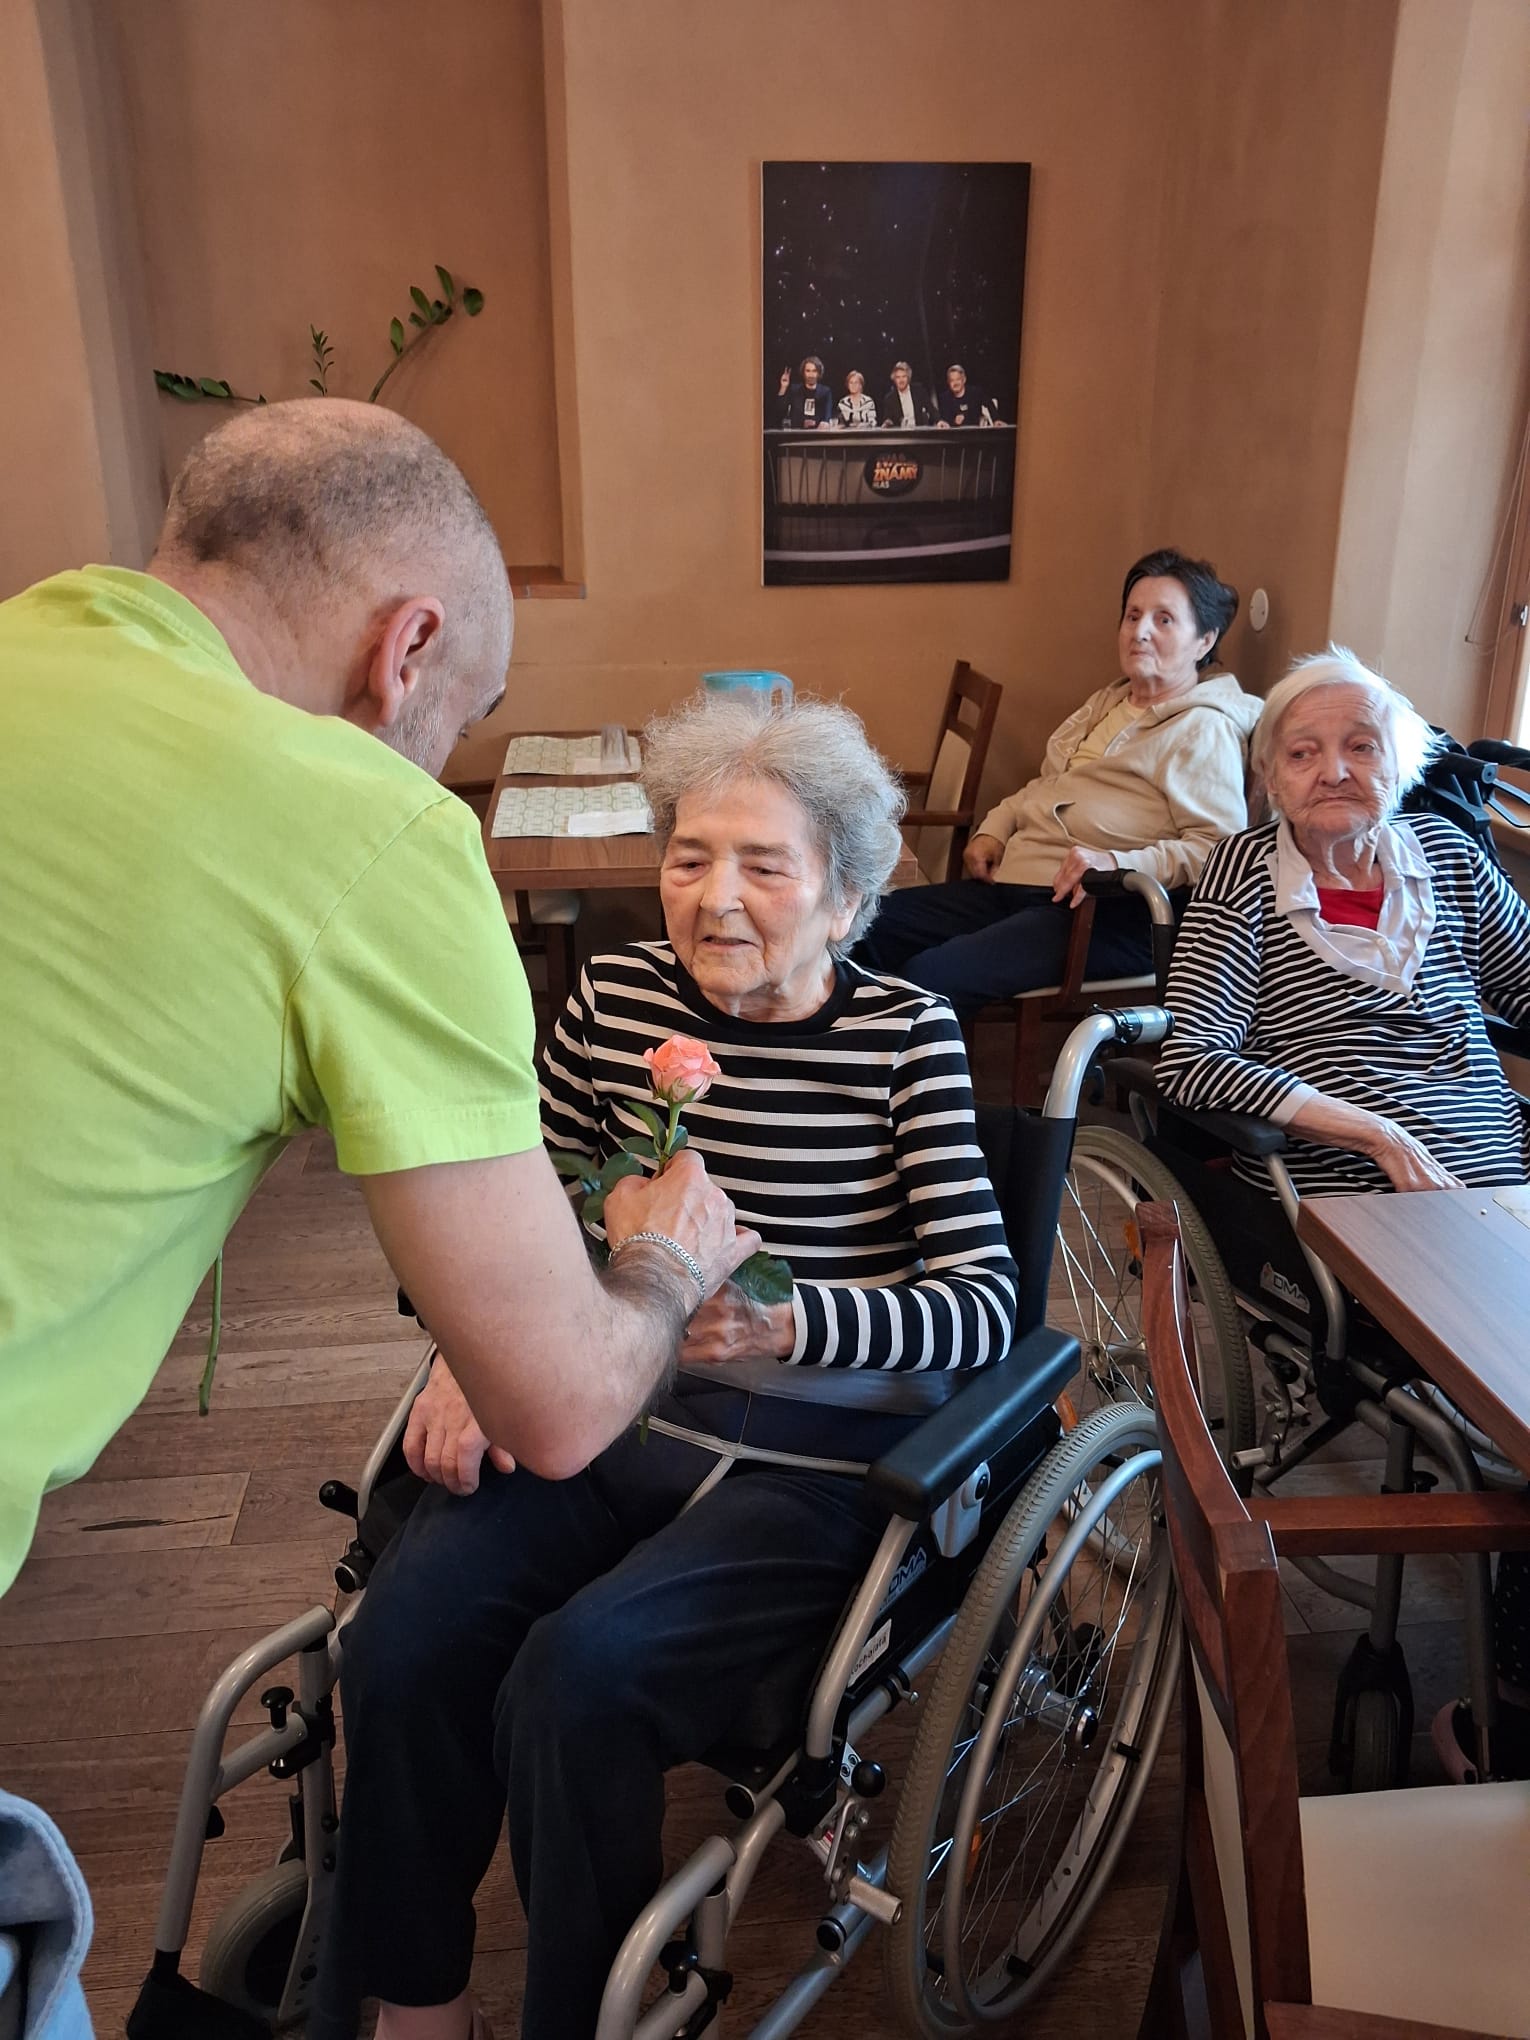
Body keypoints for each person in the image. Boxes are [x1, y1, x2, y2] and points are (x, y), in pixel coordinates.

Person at [0, 402, 747, 2025]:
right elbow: (562, 1404)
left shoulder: (30, 646)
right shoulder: (368, 824)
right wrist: (663, 1262)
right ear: (404, 651)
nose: (443, 761)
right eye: (462, 719)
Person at [314, 693, 1020, 2040]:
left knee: (578, 1678)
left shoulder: (906, 1038)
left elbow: (984, 1308)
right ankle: (416, 2003)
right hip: (613, 1405)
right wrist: (471, 1353)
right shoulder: (613, 996)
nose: (714, 897)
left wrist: (788, 1325)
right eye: (689, 857)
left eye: (764, 866)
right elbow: (513, 1217)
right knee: (401, 1638)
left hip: (808, 1464)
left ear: (847, 900)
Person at [1154, 645, 1530, 1782]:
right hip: (1358, 1204)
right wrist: (1371, 1131)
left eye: (1361, 746)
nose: (1333, 771)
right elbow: (1192, 1061)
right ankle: (1509, 1713)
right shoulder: (1243, 875)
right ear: (1270, 776)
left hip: (1500, 1190)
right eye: (1304, 752)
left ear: (1399, 763)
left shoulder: (1448, 858)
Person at [857, 548, 1256, 1014]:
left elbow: (1221, 851)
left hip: (1102, 913)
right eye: (1132, 616)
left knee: (929, 978)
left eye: (1164, 620)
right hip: (1019, 884)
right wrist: (995, 826)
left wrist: (1117, 861)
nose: (1140, 631)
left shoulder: (1204, 729)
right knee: (860, 926)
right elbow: (1049, 786)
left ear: (1204, 640)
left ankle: (911, 1060)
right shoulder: (1109, 704)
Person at [777, 356, 833, 429]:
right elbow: (780, 411)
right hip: (797, 432)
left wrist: (825, 422)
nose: (811, 375)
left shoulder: (825, 392)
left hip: (818, 432)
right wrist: (783, 387)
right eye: (808, 371)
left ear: (819, 373)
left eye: (814, 371)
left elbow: (827, 415)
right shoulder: (795, 390)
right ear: (803, 372)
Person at [879, 359, 938, 427]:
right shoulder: (889, 398)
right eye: (898, 377)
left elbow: (931, 409)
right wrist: (887, 423)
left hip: (919, 430)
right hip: (900, 432)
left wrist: (939, 421)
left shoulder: (919, 391)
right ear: (894, 379)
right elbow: (887, 418)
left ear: (908, 377)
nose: (901, 380)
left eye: (904, 376)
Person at [936, 362, 995, 428]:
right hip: (954, 432)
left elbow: (990, 403)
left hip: (976, 430)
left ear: (964, 380)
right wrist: (954, 421)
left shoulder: (975, 393)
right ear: (948, 382)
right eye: (952, 380)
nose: (955, 383)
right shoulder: (944, 398)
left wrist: (996, 420)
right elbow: (944, 420)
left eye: (958, 379)